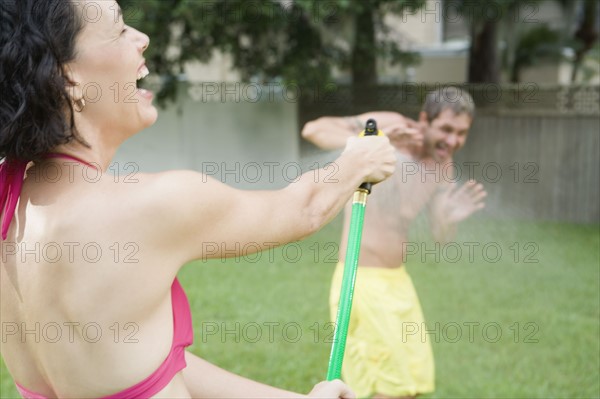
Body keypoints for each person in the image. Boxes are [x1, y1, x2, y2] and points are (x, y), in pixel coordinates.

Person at [0, 1, 397, 398]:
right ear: (67, 77)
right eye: (120, 30)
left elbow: (149, 368)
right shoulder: (152, 205)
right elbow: (303, 209)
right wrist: (357, 162)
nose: (142, 39)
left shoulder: (8, 203)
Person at [302, 86, 487, 399]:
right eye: (445, 129)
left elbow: (440, 237)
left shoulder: (443, 167)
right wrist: (377, 141)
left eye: (461, 133)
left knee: (410, 386)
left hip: (398, 283)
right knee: (387, 392)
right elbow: (314, 130)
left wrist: (450, 218)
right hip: (361, 282)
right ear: (425, 119)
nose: (452, 141)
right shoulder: (388, 124)